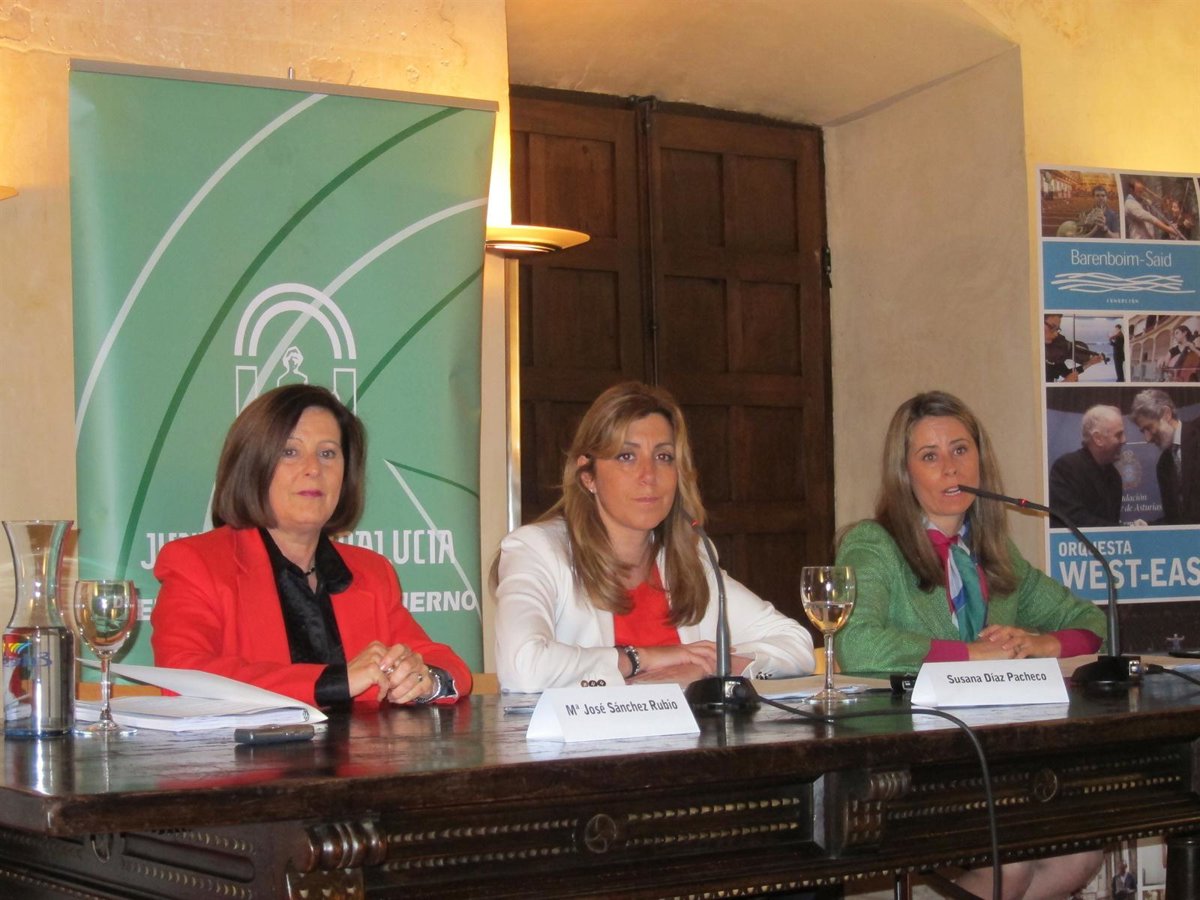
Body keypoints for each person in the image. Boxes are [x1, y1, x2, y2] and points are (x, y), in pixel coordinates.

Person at [834, 390, 1104, 899]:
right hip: (914, 757)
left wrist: (1042, 644)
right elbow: (859, 645)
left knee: (1081, 856)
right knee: (1011, 868)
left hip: (995, 755)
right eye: (929, 456)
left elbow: (1092, 622)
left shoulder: (994, 553)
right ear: (905, 472)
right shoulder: (873, 544)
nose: (950, 468)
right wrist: (973, 654)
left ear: (980, 458)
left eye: (960, 449)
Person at [152, 384, 471, 707]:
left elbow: (446, 665)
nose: (313, 469)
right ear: (253, 465)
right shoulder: (196, 562)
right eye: (290, 452)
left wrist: (426, 680)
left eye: (328, 453)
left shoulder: (371, 572)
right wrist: (334, 681)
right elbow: (182, 677)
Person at [492, 381, 814, 692]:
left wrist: (711, 667)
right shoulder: (537, 550)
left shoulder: (689, 558)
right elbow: (522, 668)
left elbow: (795, 644)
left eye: (663, 457)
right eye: (626, 456)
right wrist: (641, 659)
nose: (649, 476)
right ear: (588, 475)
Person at [1048, 405, 1127, 528]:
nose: (1124, 440)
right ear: (1098, 438)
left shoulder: (1114, 476)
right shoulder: (1066, 468)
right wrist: (1123, 529)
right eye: (1118, 435)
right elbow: (1073, 520)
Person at [1130, 388, 1200, 525]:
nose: (1147, 438)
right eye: (1143, 431)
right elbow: (1175, 519)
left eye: (1148, 427)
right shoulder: (1163, 465)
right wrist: (1149, 527)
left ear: (1166, 414)